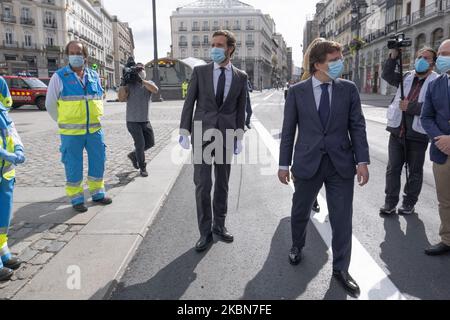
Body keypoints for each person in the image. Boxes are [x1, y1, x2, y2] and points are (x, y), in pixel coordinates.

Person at [278, 40, 370, 297]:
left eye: (340, 58)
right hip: (307, 163)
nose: (340, 63)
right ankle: (297, 245)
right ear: (318, 64)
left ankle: (341, 269)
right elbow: (288, 132)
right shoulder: (297, 92)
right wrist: (283, 164)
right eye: (334, 59)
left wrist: (362, 161)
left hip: (341, 164)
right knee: (300, 210)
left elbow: (357, 126)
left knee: (342, 219)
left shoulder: (348, 89)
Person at [179, 30, 248, 252]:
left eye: (220, 45)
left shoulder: (241, 76)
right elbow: (189, 103)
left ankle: (220, 225)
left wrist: (239, 135)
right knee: (202, 184)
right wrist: (184, 130)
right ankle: (204, 232)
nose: (215, 49)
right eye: (213, 45)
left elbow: (240, 109)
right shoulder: (200, 72)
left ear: (230, 48)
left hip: (226, 135)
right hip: (202, 134)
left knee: (222, 183)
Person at [45, 40, 112, 213]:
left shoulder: (94, 75)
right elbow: (50, 104)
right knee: (73, 164)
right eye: (72, 53)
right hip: (71, 132)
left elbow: (99, 98)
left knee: (98, 161)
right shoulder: (59, 77)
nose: (76, 56)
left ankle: (97, 193)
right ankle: (76, 198)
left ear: (85, 56)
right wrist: (63, 121)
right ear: (67, 56)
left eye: (79, 53)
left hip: (95, 130)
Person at [380, 47, 438, 216]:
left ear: (433, 64)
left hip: (418, 135)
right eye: (419, 56)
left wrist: (411, 107)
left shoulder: (437, 81)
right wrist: (392, 57)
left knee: (414, 171)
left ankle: (409, 203)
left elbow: (438, 107)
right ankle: (390, 203)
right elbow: (387, 75)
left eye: (426, 58)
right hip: (397, 131)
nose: (421, 59)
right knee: (393, 169)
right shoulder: (407, 76)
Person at [421, 39, 450, 256]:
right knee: (445, 200)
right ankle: (447, 239)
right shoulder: (434, 84)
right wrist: (441, 139)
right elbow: (426, 117)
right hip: (442, 151)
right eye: (440, 53)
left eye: (446, 53)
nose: (441, 58)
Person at [0, 77, 25, 281]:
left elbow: (11, 128)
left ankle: (2, 250)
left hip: (5, 173)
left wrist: (18, 147)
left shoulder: (1, 107)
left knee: (3, 217)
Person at [300, 37, 326, 214]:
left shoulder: (303, 79)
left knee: (313, 166)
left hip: (309, 135)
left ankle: (313, 199)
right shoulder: (305, 82)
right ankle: (313, 198)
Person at [119, 63, 159, 177]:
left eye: (141, 68)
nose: (140, 71)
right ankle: (142, 167)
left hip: (145, 120)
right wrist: (123, 84)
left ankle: (133, 155)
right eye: (137, 69)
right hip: (132, 121)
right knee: (140, 144)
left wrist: (141, 81)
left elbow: (155, 90)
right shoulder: (129, 85)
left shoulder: (148, 83)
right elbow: (121, 98)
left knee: (150, 143)